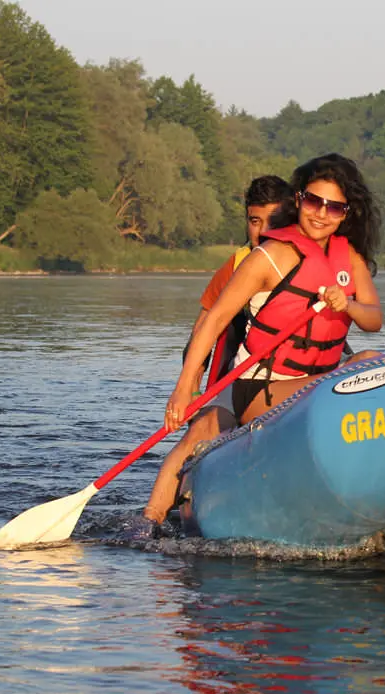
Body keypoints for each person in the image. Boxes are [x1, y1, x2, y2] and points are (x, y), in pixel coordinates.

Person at [123, 176, 292, 540]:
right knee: (201, 430)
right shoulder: (239, 265)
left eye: (272, 220)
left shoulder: (308, 258)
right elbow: (204, 328)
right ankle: (147, 522)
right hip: (243, 379)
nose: (261, 232)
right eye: (254, 220)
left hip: (297, 379)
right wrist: (189, 388)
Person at [165, 153, 382, 433]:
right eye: (314, 202)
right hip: (256, 381)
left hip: (314, 375)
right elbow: (210, 323)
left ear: (346, 213)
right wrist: (185, 390)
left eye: (334, 208)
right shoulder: (259, 258)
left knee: (371, 361)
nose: (321, 214)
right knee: (201, 431)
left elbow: (374, 320)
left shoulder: (348, 257)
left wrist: (348, 305)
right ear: (300, 200)